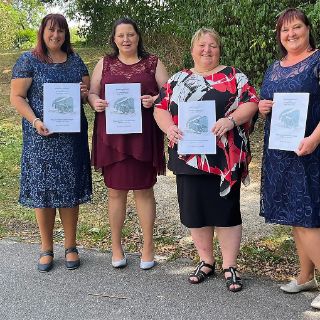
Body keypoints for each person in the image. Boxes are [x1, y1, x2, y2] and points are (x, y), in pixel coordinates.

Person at [154, 27, 258, 291]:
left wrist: (231, 119)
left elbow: (252, 102)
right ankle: (206, 261)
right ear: (192, 50)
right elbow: (160, 108)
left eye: (212, 45)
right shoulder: (177, 80)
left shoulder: (234, 76)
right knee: (195, 210)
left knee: (226, 212)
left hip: (224, 159)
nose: (207, 50)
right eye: (201, 45)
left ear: (219, 49)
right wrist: (169, 128)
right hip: (189, 157)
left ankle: (230, 265)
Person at [10, 14, 92, 272]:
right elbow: (17, 97)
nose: (55, 35)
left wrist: (83, 93)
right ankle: (46, 248)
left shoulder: (76, 61)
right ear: (42, 32)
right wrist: (35, 121)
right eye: (51, 30)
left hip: (71, 139)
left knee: (69, 191)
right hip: (41, 138)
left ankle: (70, 246)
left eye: (60, 31)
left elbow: (85, 91)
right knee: (43, 192)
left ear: (66, 35)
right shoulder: (28, 60)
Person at [88, 17, 168, 270]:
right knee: (115, 192)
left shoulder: (153, 62)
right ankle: (116, 246)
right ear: (114, 39)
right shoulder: (105, 63)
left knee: (144, 190)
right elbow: (91, 92)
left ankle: (148, 246)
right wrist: (94, 102)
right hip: (113, 138)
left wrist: (155, 99)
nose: (126, 39)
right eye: (121, 35)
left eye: (130, 34)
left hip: (143, 137)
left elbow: (170, 94)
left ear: (138, 37)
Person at [259, 8, 320, 309]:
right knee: (295, 216)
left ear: (308, 29)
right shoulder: (274, 67)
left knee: (308, 217)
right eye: (285, 30)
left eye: (296, 27)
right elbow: (264, 100)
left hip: (310, 150)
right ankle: (306, 275)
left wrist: (314, 139)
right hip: (280, 152)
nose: (291, 34)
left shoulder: (318, 61)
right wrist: (263, 106)